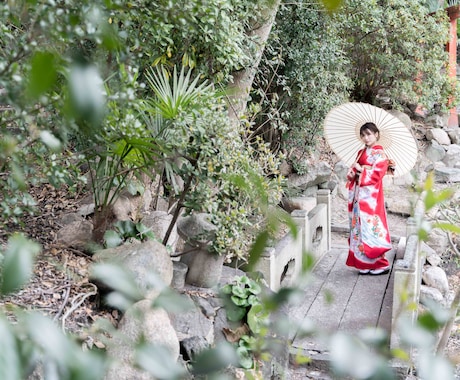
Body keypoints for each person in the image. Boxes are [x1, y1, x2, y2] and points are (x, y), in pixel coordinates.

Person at [345, 122, 392, 275]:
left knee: (372, 228)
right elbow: (355, 172)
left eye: (369, 134)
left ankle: (380, 264)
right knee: (359, 227)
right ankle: (364, 263)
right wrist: (353, 173)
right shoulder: (361, 152)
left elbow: (377, 174)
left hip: (371, 197)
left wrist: (361, 170)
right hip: (360, 194)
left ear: (376, 134)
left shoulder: (380, 154)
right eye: (363, 135)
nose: (366, 138)